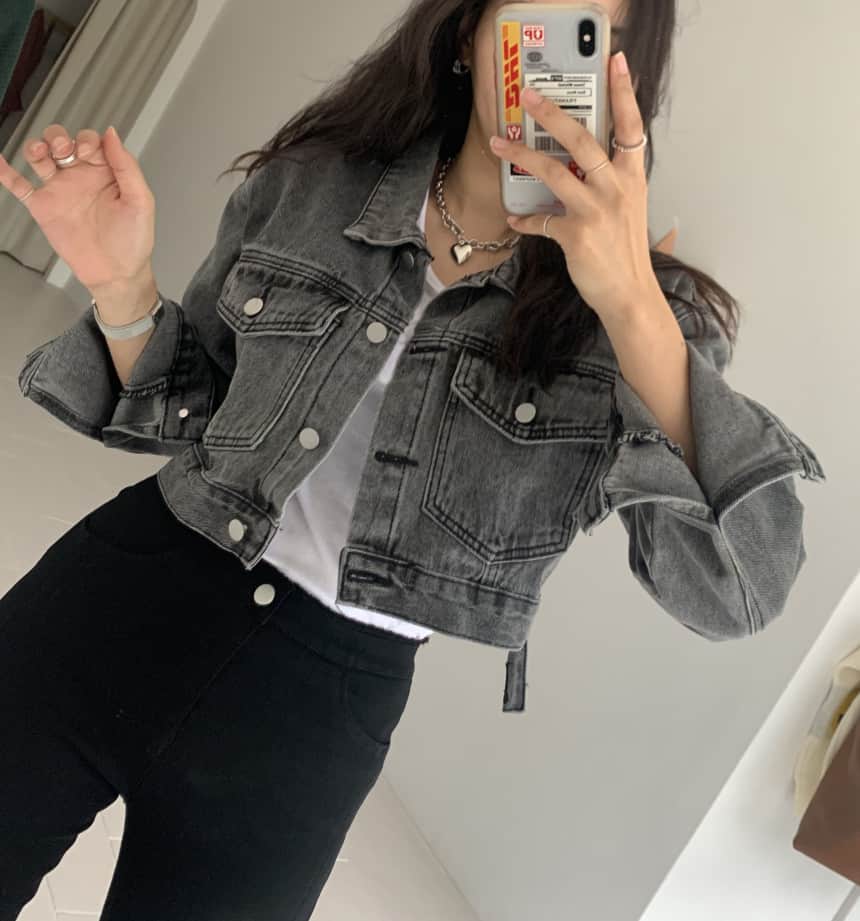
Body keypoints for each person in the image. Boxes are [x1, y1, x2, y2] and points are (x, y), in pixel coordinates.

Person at [0, 0, 826, 917]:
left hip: (314, 713)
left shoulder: (648, 321)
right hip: (119, 595)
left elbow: (740, 590)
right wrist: (121, 285)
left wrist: (630, 298)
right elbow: (194, 411)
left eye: (594, 34)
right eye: (535, 14)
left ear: (626, 77)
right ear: (470, 34)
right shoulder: (315, 182)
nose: (552, 59)